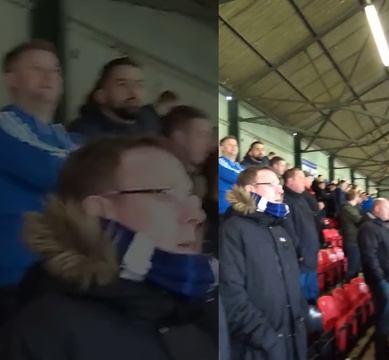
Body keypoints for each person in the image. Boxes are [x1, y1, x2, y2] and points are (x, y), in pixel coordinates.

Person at [1, 137, 223, 359]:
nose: (196, 215)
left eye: (190, 196)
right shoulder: (46, 333)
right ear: (98, 212)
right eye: (165, 195)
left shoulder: (196, 303)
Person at [0, 40, 76, 323]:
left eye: (55, 70)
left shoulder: (64, 137)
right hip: (15, 278)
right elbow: (59, 174)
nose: (49, 77)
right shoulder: (5, 126)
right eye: (36, 69)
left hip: (56, 274)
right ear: (11, 79)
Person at [220, 166, 307, 359]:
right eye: (272, 184)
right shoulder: (232, 230)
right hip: (259, 348)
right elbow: (231, 297)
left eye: (280, 184)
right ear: (251, 190)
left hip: (292, 342)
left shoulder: (280, 230)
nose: (281, 190)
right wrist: (269, 340)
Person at [358, 198, 389, 360]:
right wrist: (381, 280)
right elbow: (369, 256)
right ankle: (382, 354)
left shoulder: (387, 226)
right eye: (388, 208)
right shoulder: (368, 228)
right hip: (385, 282)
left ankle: (385, 351)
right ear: (377, 208)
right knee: (384, 322)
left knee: (388, 320)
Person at [68, 57, 149, 140]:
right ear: (101, 96)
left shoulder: (145, 130)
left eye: (139, 85)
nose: (134, 92)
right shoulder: (83, 134)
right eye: (122, 84)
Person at [282, 168, 321, 304]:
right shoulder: (285, 200)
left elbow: (315, 211)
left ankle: (313, 318)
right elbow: (289, 230)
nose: (304, 181)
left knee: (312, 292)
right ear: (289, 181)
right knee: (301, 293)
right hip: (301, 256)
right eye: (300, 177)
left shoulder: (302, 198)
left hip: (310, 253)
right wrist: (299, 251)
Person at [160, 105, 214, 200]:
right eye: (202, 135)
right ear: (178, 137)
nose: (210, 145)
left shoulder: (197, 182)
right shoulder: (154, 183)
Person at [338, 189, 363, 280]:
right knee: (353, 268)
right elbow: (358, 220)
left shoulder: (353, 208)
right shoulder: (347, 208)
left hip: (355, 240)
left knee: (356, 267)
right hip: (351, 241)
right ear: (355, 197)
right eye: (358, 196)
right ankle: (347, 287)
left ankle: (352, 286)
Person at [218, 135, 243, 215]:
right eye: (230, 145)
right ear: (221, 148)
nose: (234, 147)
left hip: (237, 209)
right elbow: (236, 178)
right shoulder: (219, 162)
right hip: (223, 210)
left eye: (235, 145)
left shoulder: (240, 166)